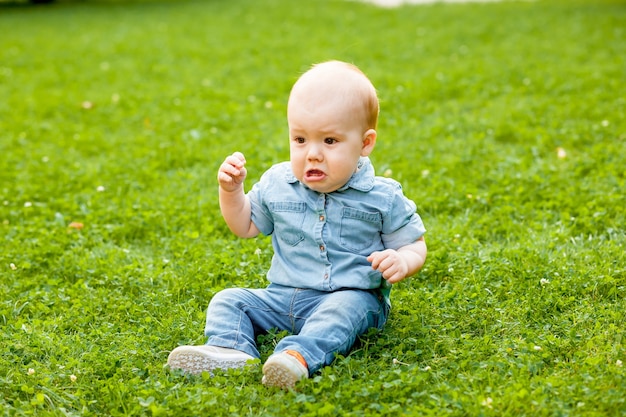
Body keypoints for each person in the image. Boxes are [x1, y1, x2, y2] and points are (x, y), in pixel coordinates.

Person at [167, 60, 427, 389]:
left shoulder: (382, 196)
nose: (312, 154)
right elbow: (245, 225)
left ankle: (296, 357)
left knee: (341, 312)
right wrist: (231, 192)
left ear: (365, 143)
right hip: (283, 297)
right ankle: (231, 350)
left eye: (330, 141)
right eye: (300, 139)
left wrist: (402, 259)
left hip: (351, 296)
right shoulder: (279, 183)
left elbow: (414, 244)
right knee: (229, 299)